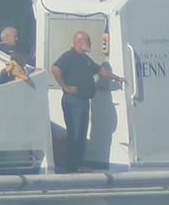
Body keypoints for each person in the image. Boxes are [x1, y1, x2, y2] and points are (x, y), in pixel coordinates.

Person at [52, 30, 123, 172]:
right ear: (80, 41)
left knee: (82, 132)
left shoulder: (85, 59)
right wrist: (64, 86)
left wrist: (117, 77)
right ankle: (72, 166)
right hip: (73, 101)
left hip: (83, 101)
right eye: (88, 40)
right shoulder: (69, 56)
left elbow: (100, 70)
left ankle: (78, 164)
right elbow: (55, 68)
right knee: (75, 133)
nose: (90, 43)